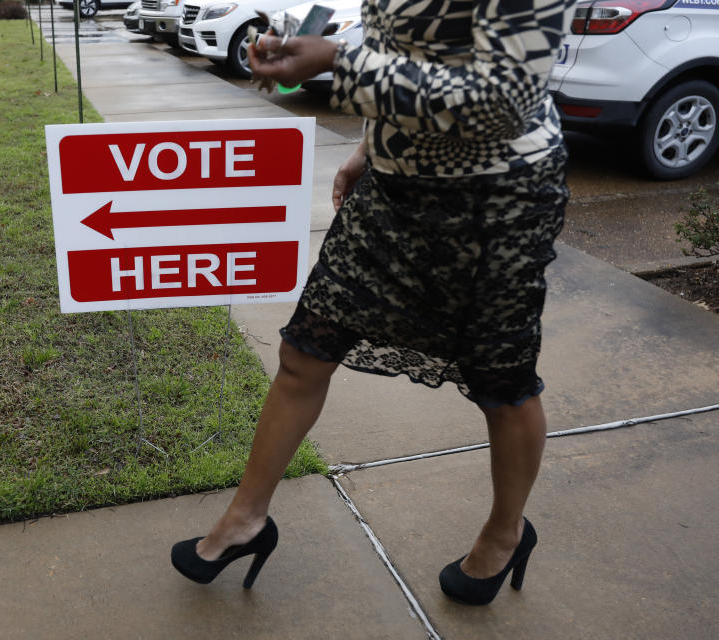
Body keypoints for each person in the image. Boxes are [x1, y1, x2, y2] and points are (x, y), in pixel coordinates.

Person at [171, 0, 577, 605]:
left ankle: (505, 532)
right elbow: (413, 49)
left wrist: (340, 61)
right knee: (304, 350)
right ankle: (246, 520)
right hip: (392, 187)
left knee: (502, 381)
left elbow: (506, 99)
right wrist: (370, 145)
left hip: (495, 201)